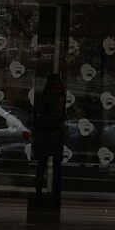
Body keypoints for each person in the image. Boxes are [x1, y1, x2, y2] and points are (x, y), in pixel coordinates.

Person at [30, 73, 66, 203]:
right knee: (57, 168)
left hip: (42, 137)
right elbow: (61, 116)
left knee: (41, 166)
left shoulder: (42, 96)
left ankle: (38, 192)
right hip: (56, 137)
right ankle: (56, 195)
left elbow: (35, 116)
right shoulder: (61, 97)